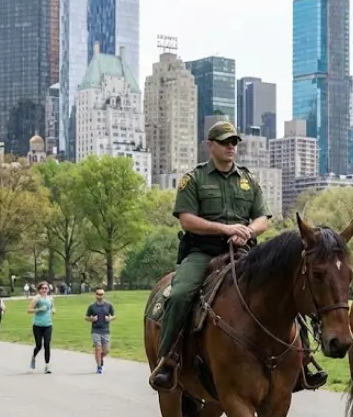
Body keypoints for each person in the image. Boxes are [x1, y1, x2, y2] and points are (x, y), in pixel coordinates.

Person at [148, 120, 328, 394]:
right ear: (210, 146)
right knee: (181, 293)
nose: (231, 147)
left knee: (286, 291)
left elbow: (262, 219)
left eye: (234, 142)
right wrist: (225, 229)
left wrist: (247, 231)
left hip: (245, 252)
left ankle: (303, 362)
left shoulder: (248, 180)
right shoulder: (194, 179)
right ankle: (168, 360)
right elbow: (186, 220)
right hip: (203, 252)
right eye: (224, 142)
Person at [86, 287, 115, 374]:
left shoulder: (108, 305)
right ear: (95, 295)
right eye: (98, 294)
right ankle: (99, 367)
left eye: (101, 294)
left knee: (106, 350)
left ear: (104, 295)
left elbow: (114, 315)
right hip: (95, 330)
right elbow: (86, 317)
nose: (100, 296)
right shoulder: (92, 306)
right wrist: (91, 319)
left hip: (106, 330)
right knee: (98, 349)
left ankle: (100, 357)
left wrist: (110, 318)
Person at [28, 282, 54, 373]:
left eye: (46, 288)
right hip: (38, 325)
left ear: (48, 289)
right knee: (39, 345)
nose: (44, 290)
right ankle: (33, 357)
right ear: (39, 289)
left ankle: (47, 366)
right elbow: (29, 310)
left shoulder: (50, 299)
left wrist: (53, 310)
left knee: (47, 344)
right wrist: (38, 309)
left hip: (48, 325)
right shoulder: (36, 298)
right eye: (42, 288)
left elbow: (51, 308)